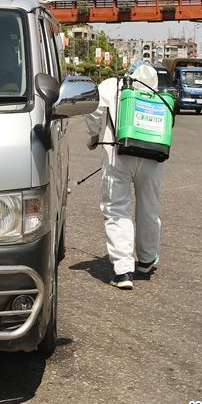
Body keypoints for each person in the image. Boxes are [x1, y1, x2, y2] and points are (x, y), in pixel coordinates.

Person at [85, 61, 165, 290]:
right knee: (148, 209)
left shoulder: (112, 85)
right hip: (152, 158)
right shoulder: (157, 94)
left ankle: (122, 270)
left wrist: (93, 137)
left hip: (117, 155)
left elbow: (93, 111)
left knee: (117, 209)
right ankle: (147, 260)